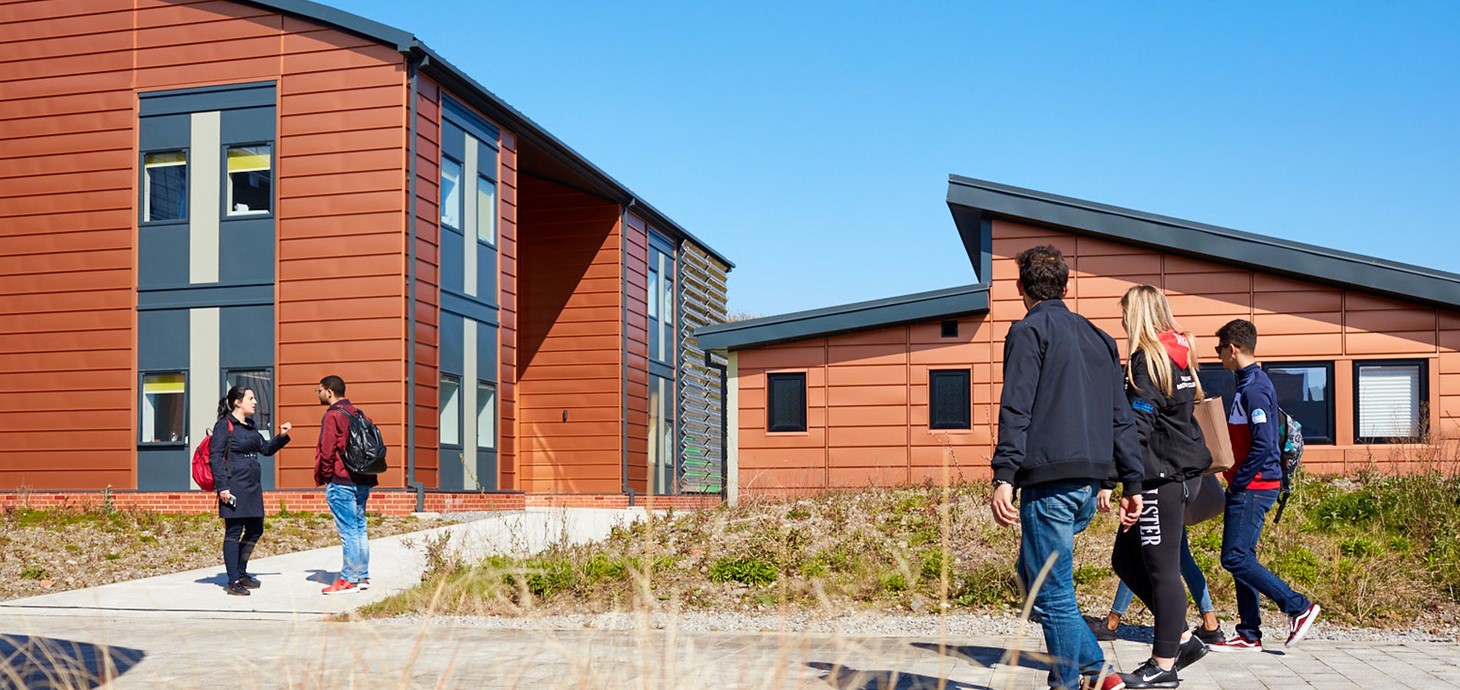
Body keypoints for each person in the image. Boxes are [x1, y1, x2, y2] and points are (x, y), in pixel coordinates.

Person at [990, 245, 1144, 690]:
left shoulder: (1028, 331)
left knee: (1051, 590)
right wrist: (1129, 480)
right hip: (1087, 484)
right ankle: (1098, 671)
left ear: (1020, 287)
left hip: (1050, 482)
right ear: (1065, 285)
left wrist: (1004, 475)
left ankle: (1068, 680)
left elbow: (1015, 407)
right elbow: (1121, 416)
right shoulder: (1099, 338)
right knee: (1032, 578)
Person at [1108, 285, 1214, 687]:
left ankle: (1164, 665)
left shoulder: (1147, 361)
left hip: (1161, 479)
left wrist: (1128, 484)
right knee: (1125, 559)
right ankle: (1182, 638)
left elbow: (1138, 427)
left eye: (1124, 314)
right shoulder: (1179, 356)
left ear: (1138, 316)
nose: (1121, 321)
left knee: (1162, 571)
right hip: (1181, 475)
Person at [1208, 319, 1321, 652]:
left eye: (1219, 350)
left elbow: (1265, 446)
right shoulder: (1249, 384)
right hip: (1251, 484)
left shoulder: (1254, 388)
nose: (1218, 357)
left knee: (1234, 557)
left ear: (1233, 348)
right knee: (1243, 555)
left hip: (1255, 486)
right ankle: (1248, 633)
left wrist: (1238, 483)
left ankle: (1297, 606)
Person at [210, 385, 291, 596]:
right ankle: (233, 581)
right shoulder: (224, 425)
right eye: (251, 398)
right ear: (238, 402)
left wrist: (281, 437)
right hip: (234, 486)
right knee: (233, 533)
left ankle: (241, 571)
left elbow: (265, 449)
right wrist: (222, 487)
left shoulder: (251, 426)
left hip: (252, 487)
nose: (255, 402)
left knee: (256, 529)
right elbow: (216, 457)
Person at [1093, 533, 1224, 644]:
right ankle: (1210, 624)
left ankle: (1112, 622)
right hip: (1176, 504)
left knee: (1137, 555)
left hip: (1155, 505)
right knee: (1181, 555)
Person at [313, 375, 379, 595]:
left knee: (349, 532)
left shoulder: (333, 415)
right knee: (360, 529)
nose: (318, 394)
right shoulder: (358, 413)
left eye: (319, 390)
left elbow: (327, 450)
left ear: (329, 392)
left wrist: (326, 476)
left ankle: (348, 579)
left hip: (342, 481)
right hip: (362, 479)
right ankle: (362, 576)